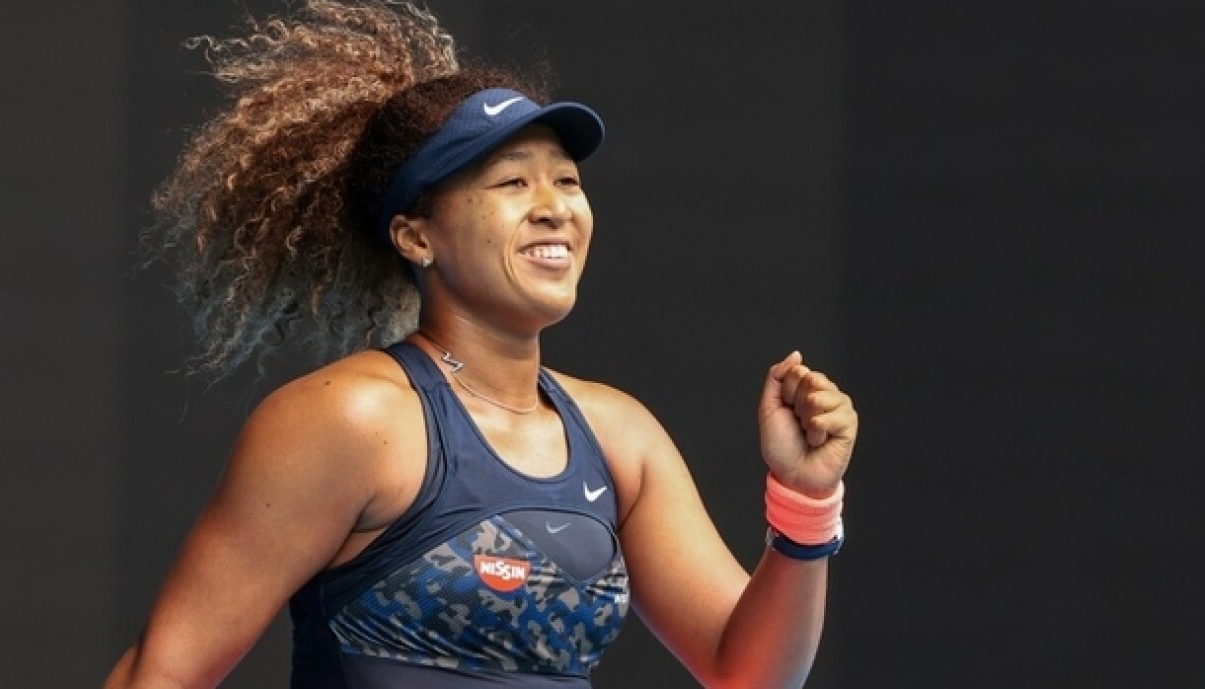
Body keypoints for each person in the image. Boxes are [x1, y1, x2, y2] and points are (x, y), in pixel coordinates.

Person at [105, 1, 858, 687]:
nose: (554, 208)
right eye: (511, 184)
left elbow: (751, 675)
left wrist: (806, 500)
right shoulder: (352, 420)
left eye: (566, 181)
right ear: (416, 236)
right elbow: (163, 674)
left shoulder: (620, 436)